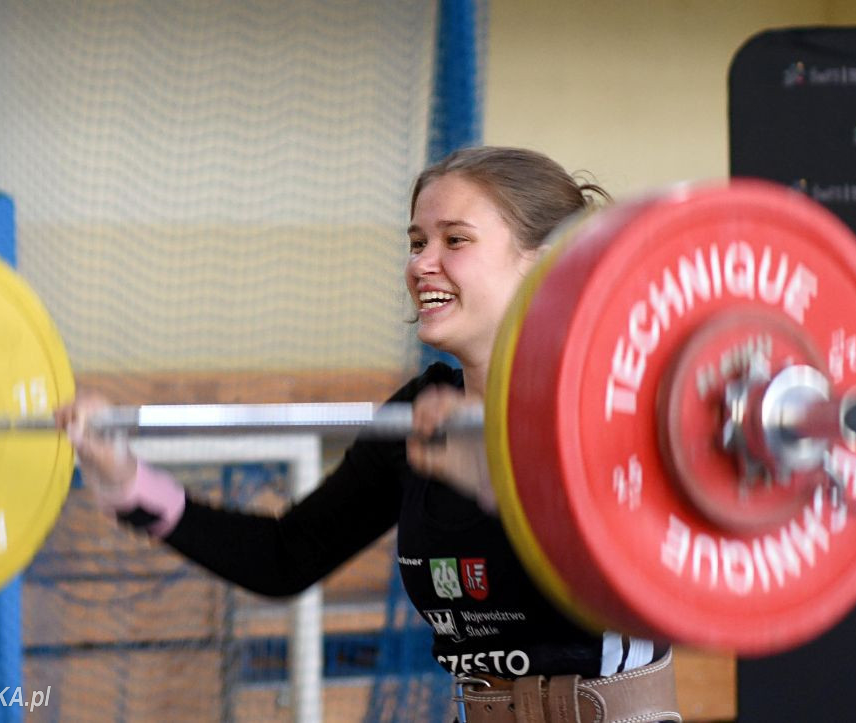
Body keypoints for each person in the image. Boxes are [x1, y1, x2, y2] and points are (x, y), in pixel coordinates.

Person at [55, 146, 682, 723]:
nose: (420, 264)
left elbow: (630, 570)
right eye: (416, 241)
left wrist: (493, 478)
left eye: (454, 240)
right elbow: (284, 558)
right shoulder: (419, 412)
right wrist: (125, 481)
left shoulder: (612, 402)